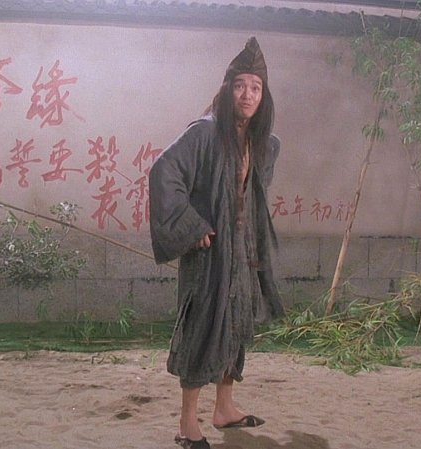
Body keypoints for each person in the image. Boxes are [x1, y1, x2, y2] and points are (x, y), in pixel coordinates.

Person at [148, 36, 285, 449]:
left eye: (256, 87)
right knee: (203, 325)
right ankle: (187, 422)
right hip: (209, 252)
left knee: (236, 323)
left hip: (242, 251)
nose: (248, 94)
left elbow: (252, 196)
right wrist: (192, 225)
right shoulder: (205, 133)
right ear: (228, 90)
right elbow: (164, 172)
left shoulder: (261, 143)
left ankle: (224, 407)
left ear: (263, 95)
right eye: (240, 85)